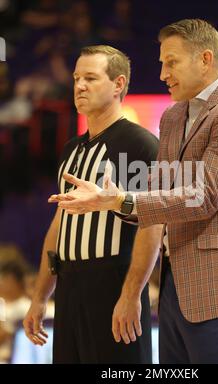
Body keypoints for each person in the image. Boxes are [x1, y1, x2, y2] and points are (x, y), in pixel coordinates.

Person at [49, 19, 218, 364]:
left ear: (205, 59)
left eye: (172, 62)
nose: (163, 73)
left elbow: (204, 195)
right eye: (162, 63)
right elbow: (157, 193)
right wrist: (108, 201)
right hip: (172, 286)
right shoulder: (173, 116)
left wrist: (119, 199)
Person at [23, 45, 161, 364]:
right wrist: (41, 296)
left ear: (118, 84)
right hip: (70, 286)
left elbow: (153, 223)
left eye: (90, 78)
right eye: (76, 78)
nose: (80, 86)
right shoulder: (71, 149)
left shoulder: (139, 144)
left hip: (113, 282)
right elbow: (60, 223)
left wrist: (130, 295)